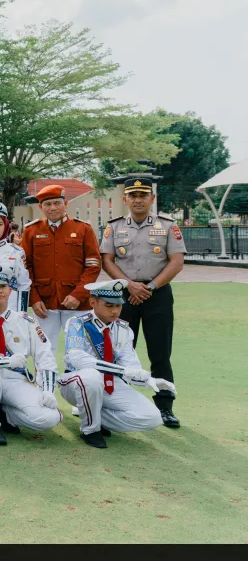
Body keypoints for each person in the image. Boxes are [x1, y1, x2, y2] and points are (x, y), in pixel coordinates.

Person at [99, 178, 185, 428]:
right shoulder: (114, 227)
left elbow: (176, 261)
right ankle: (117, 405)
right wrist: (130, 285)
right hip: (123, 295)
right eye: (133, 195)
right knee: (120, 351)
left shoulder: (168, 226)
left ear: (152, 199)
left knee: (160, 353)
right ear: (125, 199)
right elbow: (107, 261)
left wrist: (149, 287)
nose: (138, 200)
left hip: (157, 295)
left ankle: (165, 407)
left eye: (143, 195)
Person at [58, 279, 173, 448]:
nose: (115, 311)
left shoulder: (124, 330)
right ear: (92, 302)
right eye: (109, 305)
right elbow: (77, 359)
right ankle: (90, 429)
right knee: (91, 377)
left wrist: (148, 380)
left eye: (118, 306)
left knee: (152, 418)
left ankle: (94, 415)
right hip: (75, 384)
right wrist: (122, 370)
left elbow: (131, 367)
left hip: (110, 383)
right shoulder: (77, 323)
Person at [0, 263, 61, 445]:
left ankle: (6, 413)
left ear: (10, 291)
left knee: (49, 418)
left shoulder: (26, 321)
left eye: (2, 286)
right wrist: (6, 361)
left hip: (15, 381)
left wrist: (48, 390)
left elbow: (44, 356)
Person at [20, 184, 101, 357]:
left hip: (78, 303)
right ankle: (44, 385)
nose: (53, 208)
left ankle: (78, 384)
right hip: (44, 303)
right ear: (40, 207)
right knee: (43, 352)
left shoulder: (83, 229)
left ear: (66, 204)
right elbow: (25, 268)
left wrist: (78, 295)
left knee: (81, 352)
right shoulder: (31, 231)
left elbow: (93, 266)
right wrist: (33, 299)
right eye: (48, 204)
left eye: (57, 203)